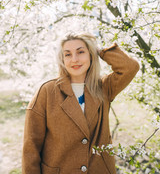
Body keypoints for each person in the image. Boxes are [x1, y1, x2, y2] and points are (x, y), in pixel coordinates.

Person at [22, 32, 139, 174]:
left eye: (81, 52)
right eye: (68, 54)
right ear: (62, 59)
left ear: (90, 54)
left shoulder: (104, 87)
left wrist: (100, 51)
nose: (75, 59)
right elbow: (31, 147)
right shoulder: (47, 91)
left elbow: (130, 67)